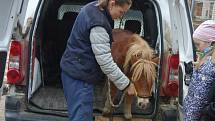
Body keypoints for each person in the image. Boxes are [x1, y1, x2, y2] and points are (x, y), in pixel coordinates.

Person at [60, 0, 137, 121]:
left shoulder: (93, 7)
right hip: (80, 77)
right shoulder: (99, 23)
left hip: (74, 71)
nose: (121, 16)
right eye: (121, 12)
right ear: (112, 4)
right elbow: (105, 62)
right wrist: (126, 84)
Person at [183, 20, 215, 121]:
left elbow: (201, 97)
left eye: (198, 44)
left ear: (212, 43)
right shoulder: (205, 59)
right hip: (192, 113)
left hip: (198, 115)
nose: (197, 48)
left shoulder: (212, 64)